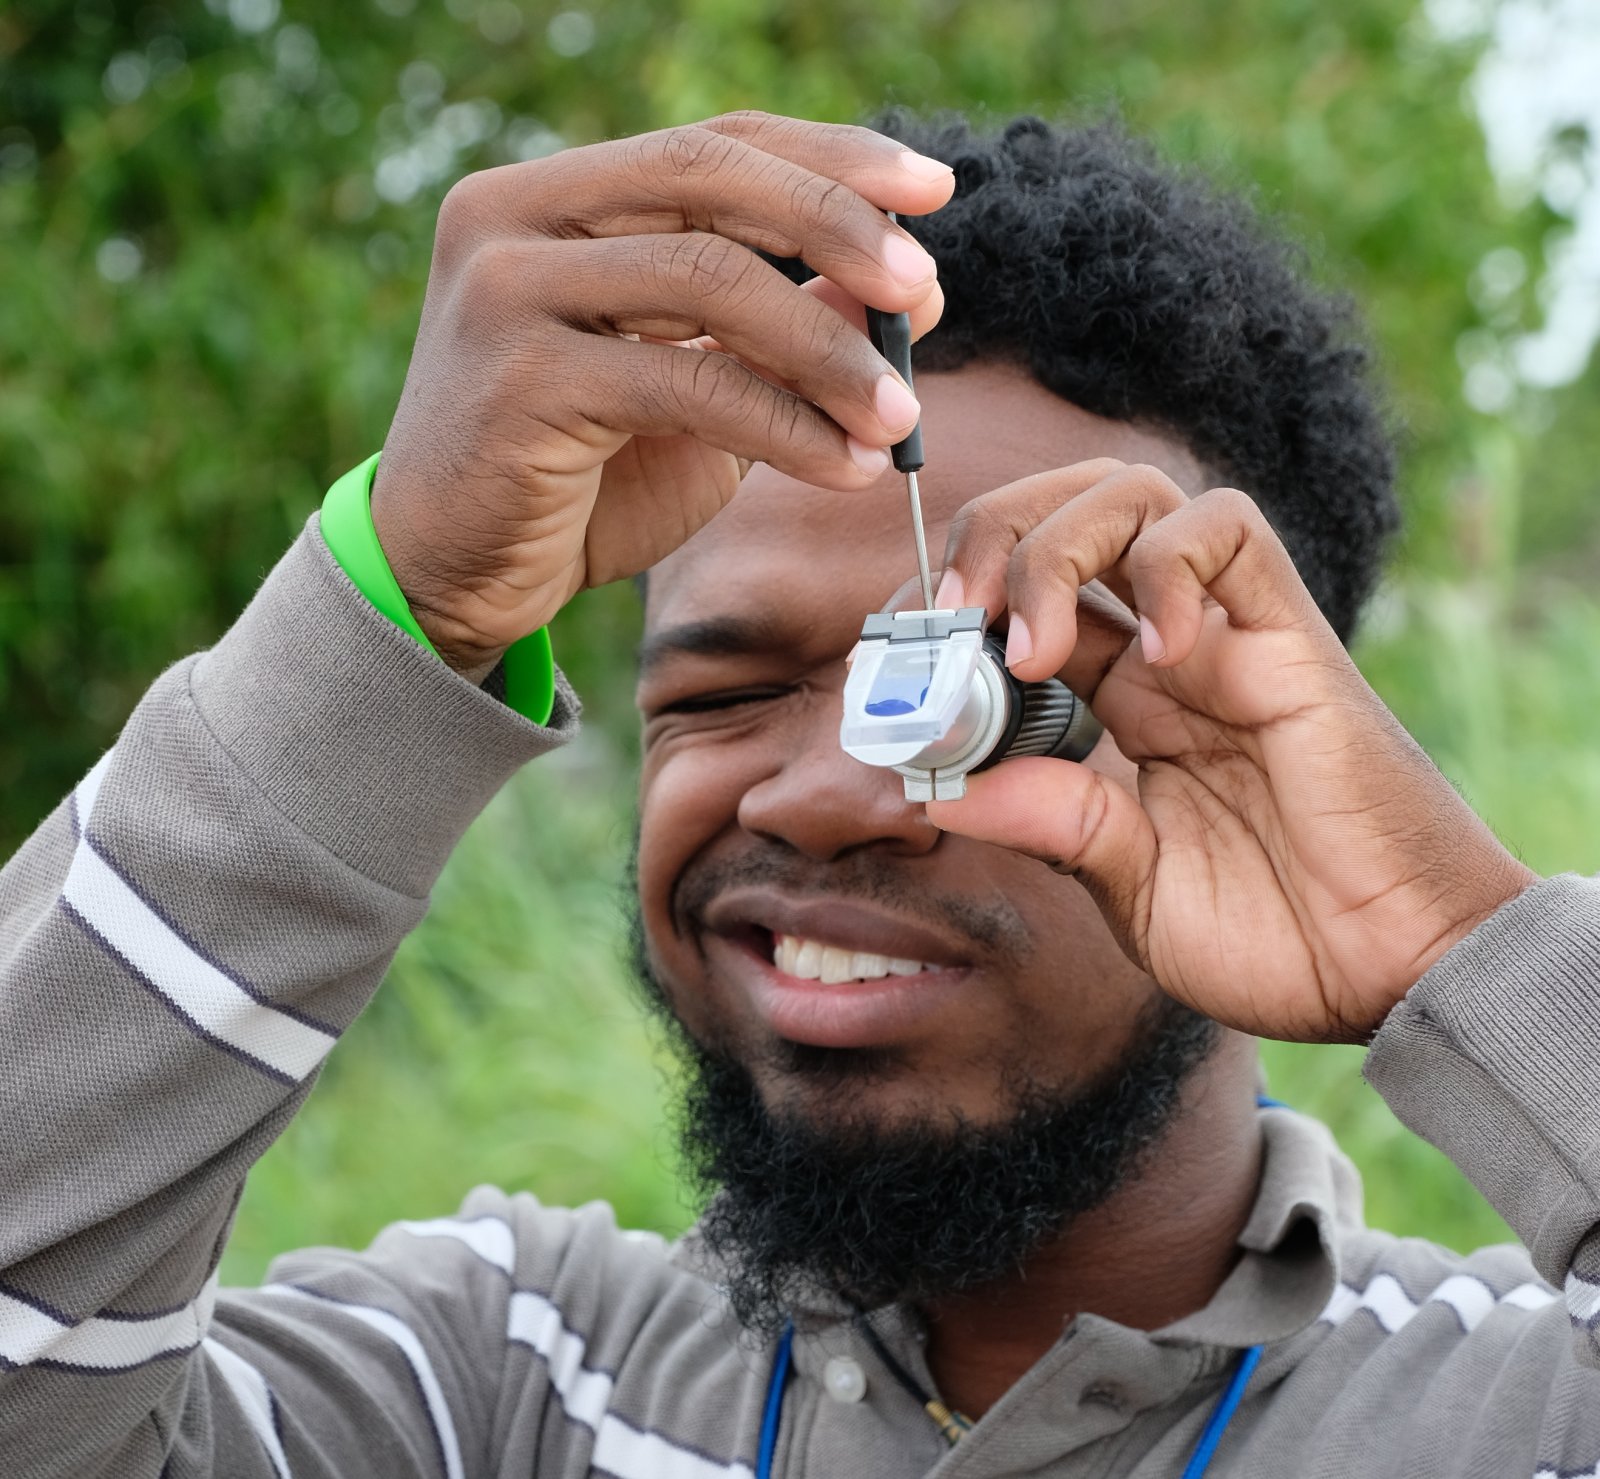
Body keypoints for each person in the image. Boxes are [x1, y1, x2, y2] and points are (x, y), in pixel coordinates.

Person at [3, 109, 1597, 1479]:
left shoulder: (1518, 1414)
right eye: (721, 693)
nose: (831, 795)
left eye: (1006, 694)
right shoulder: (499, 1385)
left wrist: (1454, 943)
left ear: (1283, 766)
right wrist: (394, 612)